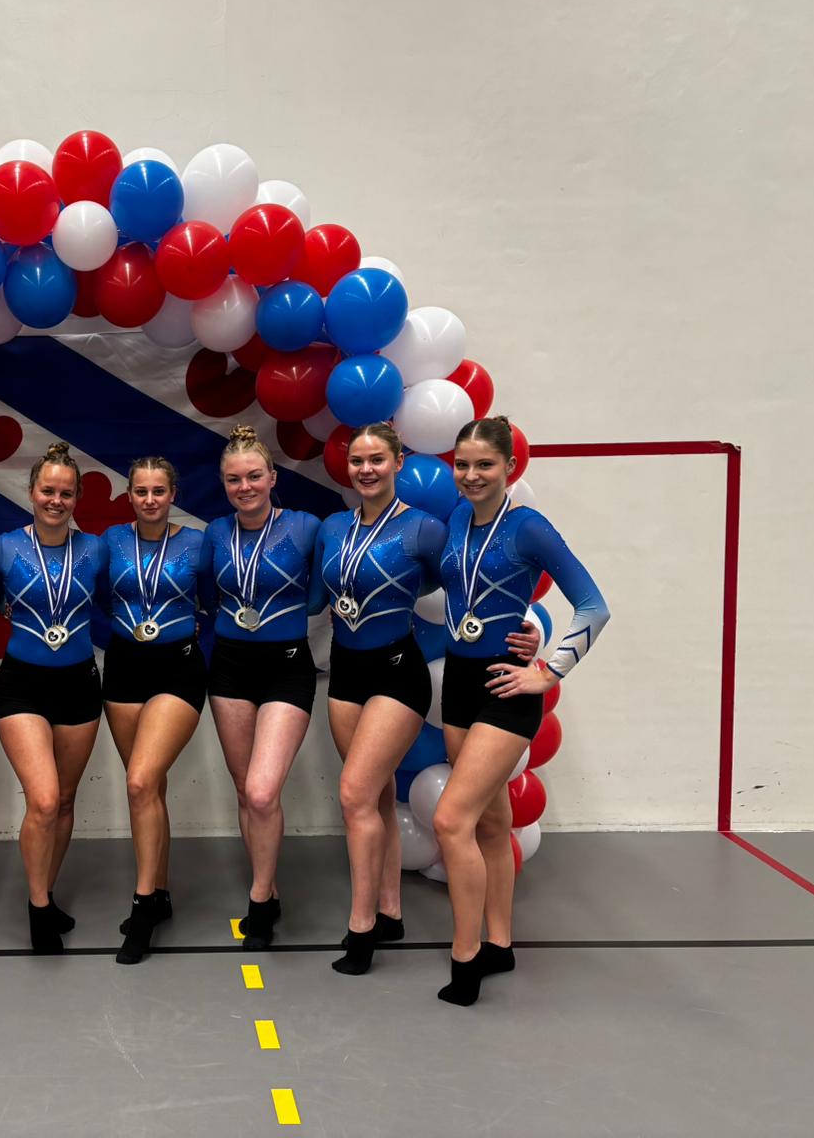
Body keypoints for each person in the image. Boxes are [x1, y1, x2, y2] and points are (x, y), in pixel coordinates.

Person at [315, 423, 538, 975]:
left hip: (397, 672)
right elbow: (315, 594)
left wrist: (527, 633)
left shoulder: (426, 529)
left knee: (353, 795)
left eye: (377, 459)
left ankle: (361, 927)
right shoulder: (332, 528)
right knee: (375, 796)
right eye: (357, 461)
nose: (366, 469)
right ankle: (391, 911)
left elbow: (473, 583)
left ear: (398, 463)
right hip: (345, 673)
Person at [434, 416, 610, 1006]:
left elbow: (593, 606)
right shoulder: (456, 519)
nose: (472, 475)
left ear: (509, 467)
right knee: (489, 822)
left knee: (450, 820)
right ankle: (501, 943)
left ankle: (465, 958)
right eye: (462, 464)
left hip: (505, 689)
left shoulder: (528, 526)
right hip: (459, 682)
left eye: (484, 464)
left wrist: (548, 671)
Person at [199, 425, 320, 951]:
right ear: (223, 484)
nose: (244, 486)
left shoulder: (306, 527)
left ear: (272, 478)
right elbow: (207, 595)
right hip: (229, 666)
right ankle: (266, 888)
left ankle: (259, 898)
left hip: (287, 666)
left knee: (263, 791)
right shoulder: (214, 533)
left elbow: (320, 595)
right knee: (244, 788)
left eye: (253, 476)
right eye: (234, 480)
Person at [0, 442, 108, 954]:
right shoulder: (2, 548)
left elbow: (121, 595)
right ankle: (38, 909)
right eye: (47, 491)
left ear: (77, 498)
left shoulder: (96, 549)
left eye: (66, 493)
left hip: (80, 682)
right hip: (21, 683)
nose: (56, 500)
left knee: (63, 800)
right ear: (31, 491)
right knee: (41, 799)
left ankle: (47, 892)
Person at [100, 457, 206, 964]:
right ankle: (160, 891)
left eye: (158, 490)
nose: (149, 499)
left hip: (178, 668)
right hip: (123, 667)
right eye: (140, 491)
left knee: (140, 781)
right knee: (149, 787)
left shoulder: (198, 543)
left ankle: (142, 906)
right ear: (129, 495)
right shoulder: (110, 541)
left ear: (173, 494)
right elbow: (84, 590)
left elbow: (224, 594)